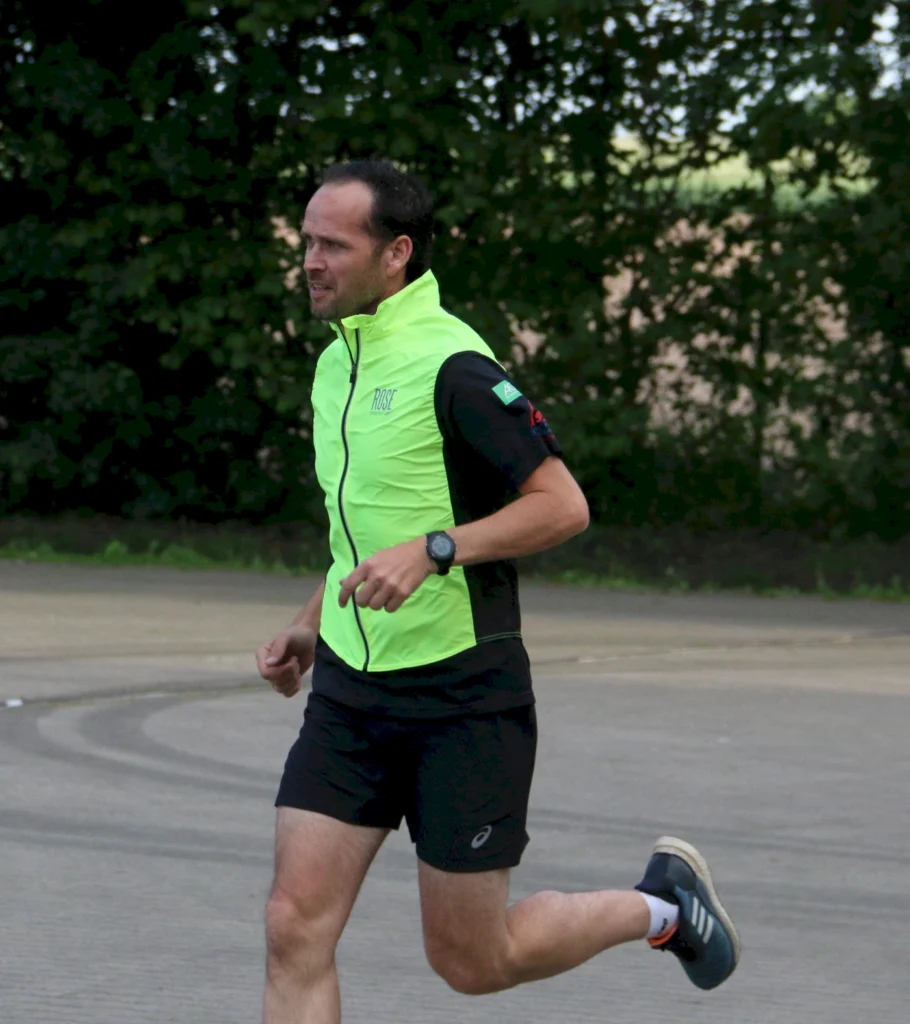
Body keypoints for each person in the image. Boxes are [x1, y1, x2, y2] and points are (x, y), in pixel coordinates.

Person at [255, 160, 740, 1024]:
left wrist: (440, 550)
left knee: (475, 962)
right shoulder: (337, 366)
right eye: (306, 242)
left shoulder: (457, 367)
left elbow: (563, 506)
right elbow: (359, 529)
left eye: (334, 244)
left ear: (396, 252)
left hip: (461, 697)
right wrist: (309, 622)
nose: (312, 261)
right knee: (294, 927)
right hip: (350, 699)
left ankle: (661, 906)